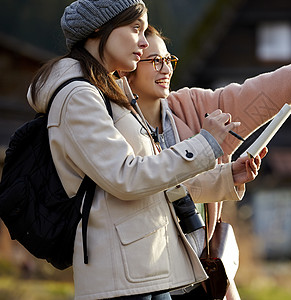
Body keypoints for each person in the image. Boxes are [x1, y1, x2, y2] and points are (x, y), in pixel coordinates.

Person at [26, 1, 257, 299]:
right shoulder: (78, 96)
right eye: (135, 29)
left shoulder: (107, 88)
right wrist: (204, 142)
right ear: (99, 30)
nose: (144, 41)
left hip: (144, 268)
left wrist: (225, 177)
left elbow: (152, 172)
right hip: (121, 277)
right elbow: (126, 177)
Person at [123, 25, 291, 299]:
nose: (166, 69)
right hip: (148, 277)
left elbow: (254, 93)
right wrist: (224, 174)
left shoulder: (191, 106)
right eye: (155, 61)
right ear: (129, 66)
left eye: (169, 60)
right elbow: (155, 184)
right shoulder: (116, 126)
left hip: (201, 272)